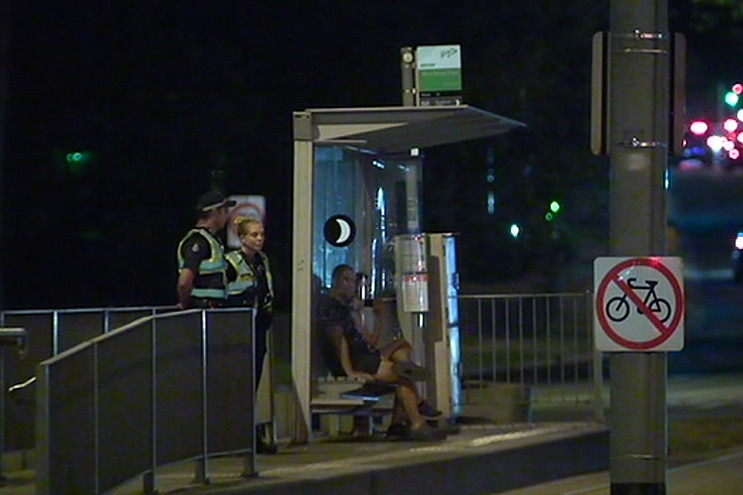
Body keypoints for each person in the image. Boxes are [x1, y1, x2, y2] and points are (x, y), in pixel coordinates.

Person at [318, 264, 444, 441]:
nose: (350, 285)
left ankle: (401, 419)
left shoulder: (346, 307)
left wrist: (378, 317)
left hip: (365, 354)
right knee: (403, 377)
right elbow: (339, 341)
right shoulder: (330, 306)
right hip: (357, 360)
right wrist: (350, 372)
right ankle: (417, 418)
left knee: (402, 346)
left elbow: (371, 341)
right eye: (345, 280)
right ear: (334, 281)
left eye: (353, 281)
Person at [225, 216, 277, 454]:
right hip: (238, 331)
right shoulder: (231, 262)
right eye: (254, 235)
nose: (259, 239)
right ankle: (240, 437)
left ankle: (249, 435)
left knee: (253, 383)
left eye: (262, 234)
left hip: (258, 328)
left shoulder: (262, 260)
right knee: (239, 384)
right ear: (242, 237)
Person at [176, 191, 236, 309]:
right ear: (215, 211)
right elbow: (184, 283)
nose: (227, 216)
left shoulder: (212, 240)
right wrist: (185, 304)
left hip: (214, 311)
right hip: (203, 311)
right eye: (225, 211)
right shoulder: (199, 241)